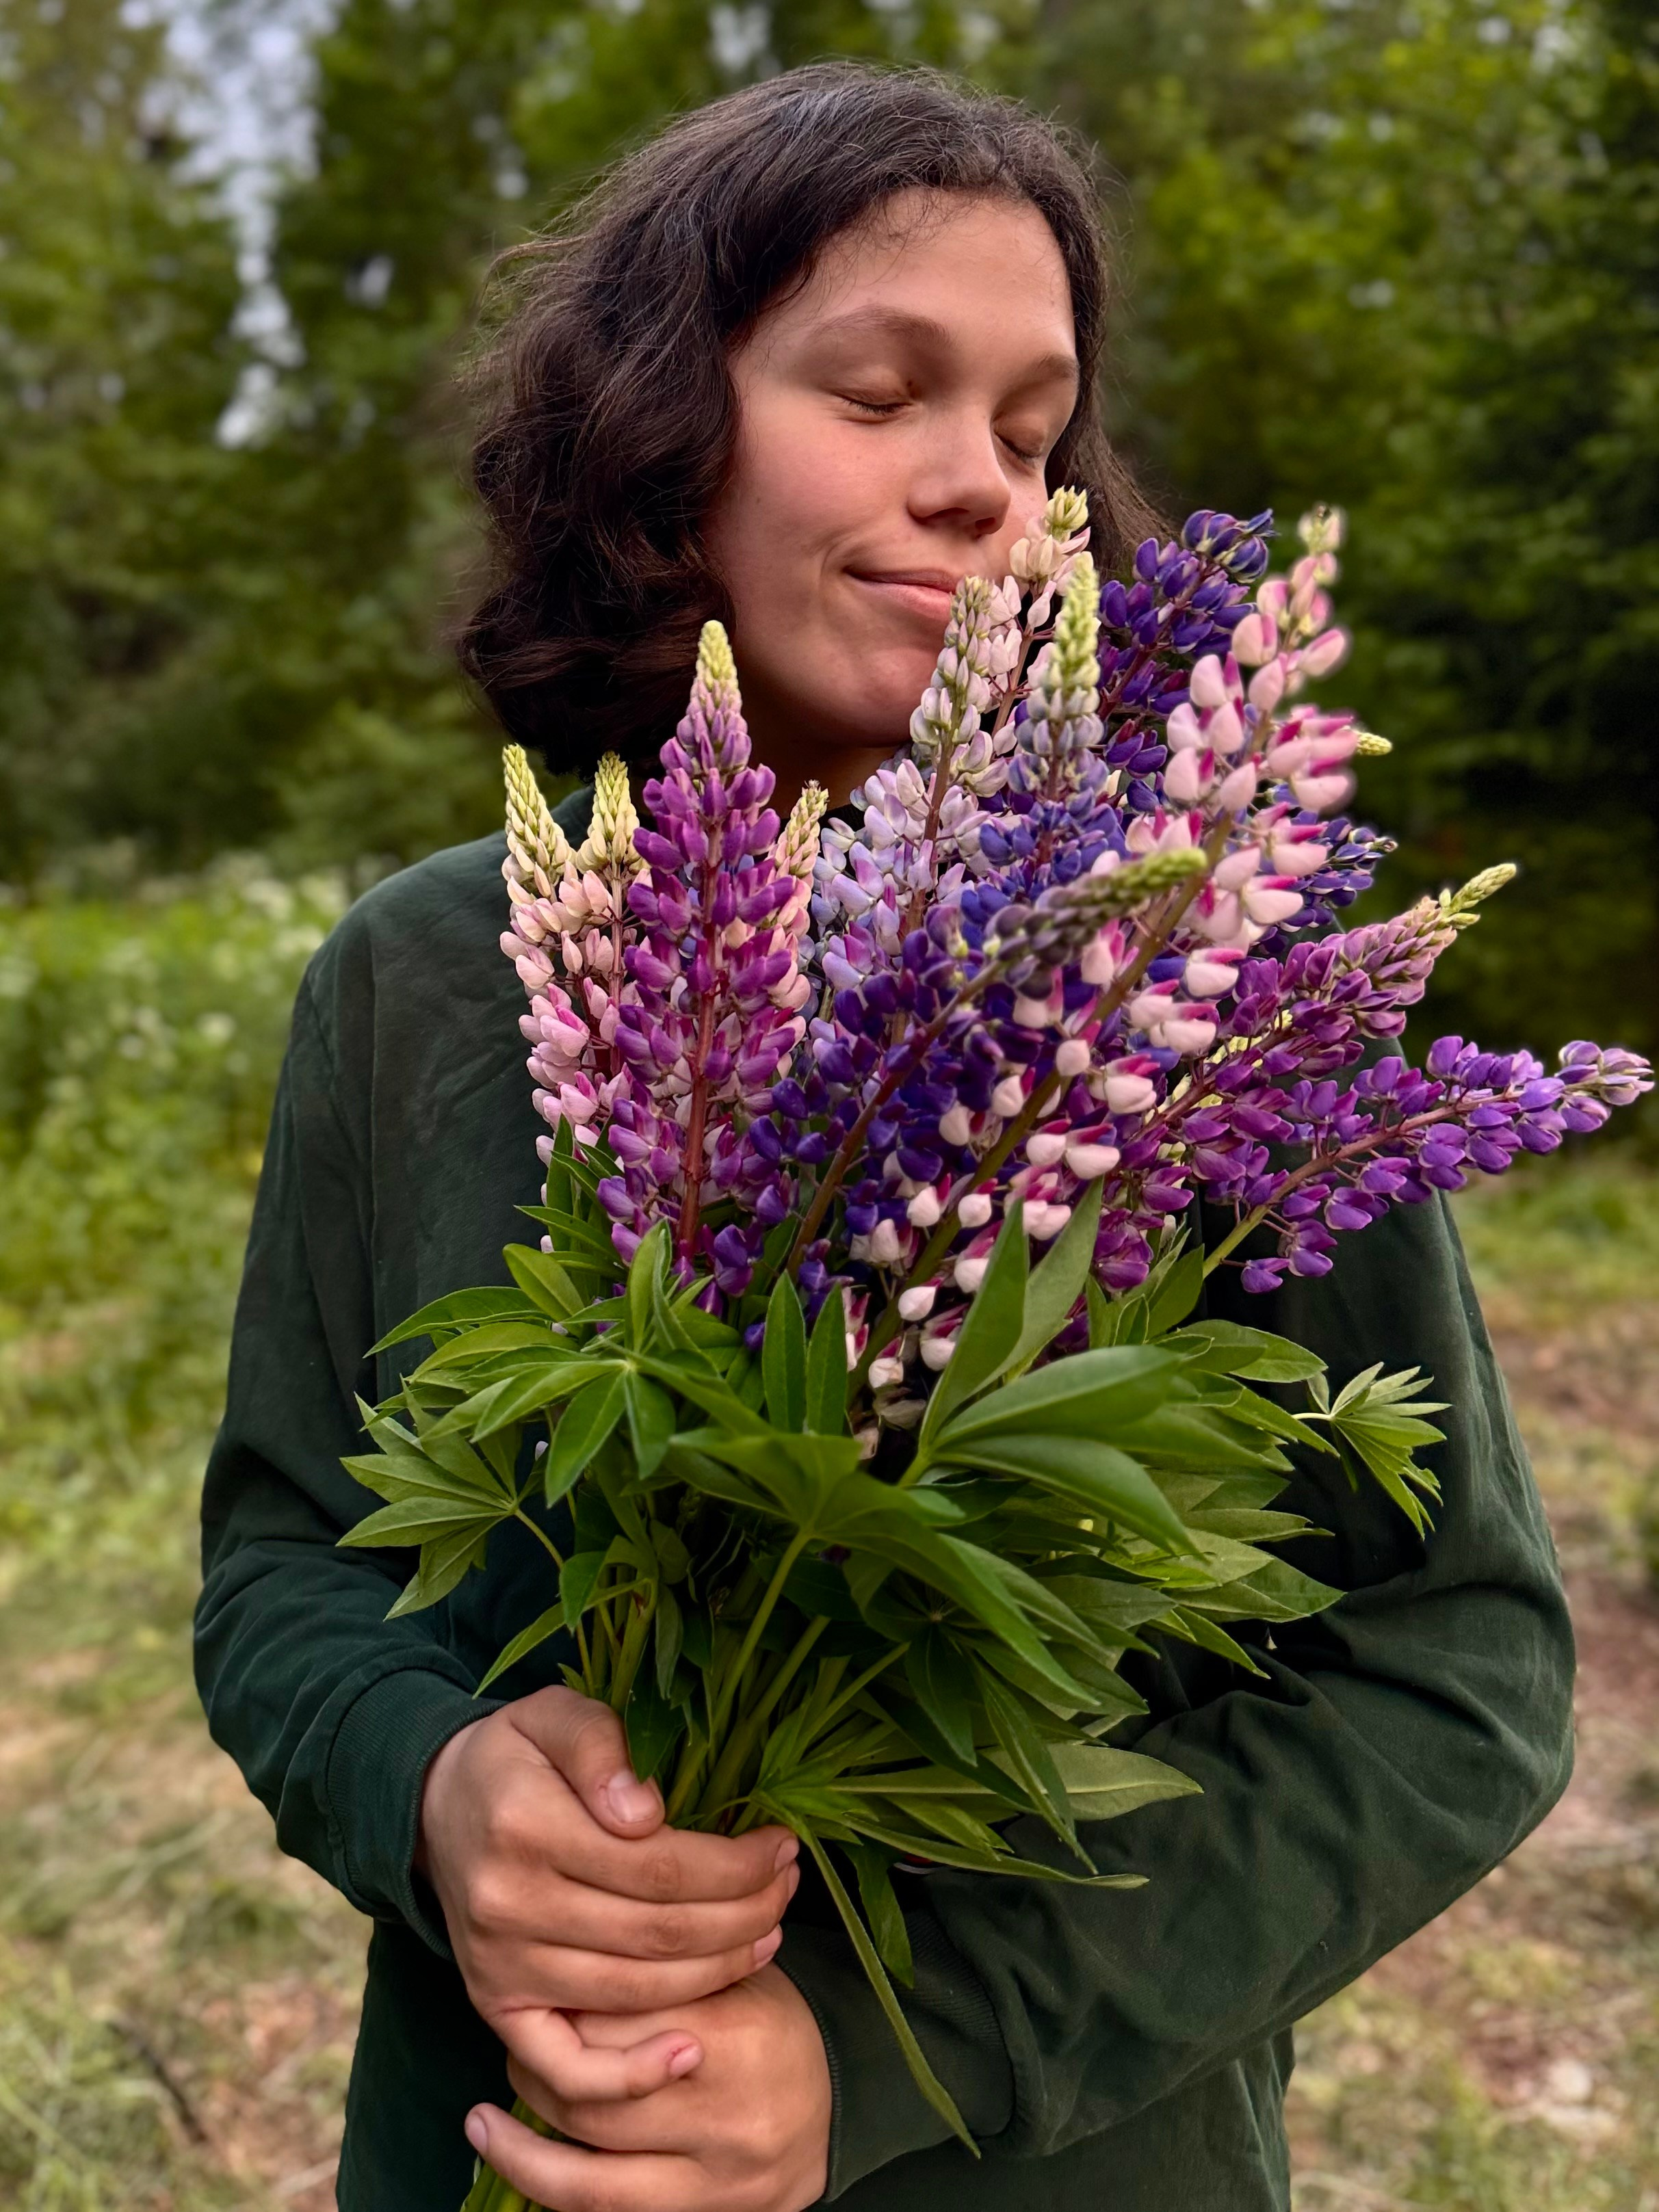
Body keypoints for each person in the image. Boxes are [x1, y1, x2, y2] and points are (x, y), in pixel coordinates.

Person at [196, 61, 1573, 2212]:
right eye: (878, 390)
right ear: (665, 431)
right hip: (498, 2130)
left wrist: (871, 2052)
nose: (982, 490)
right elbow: (282, 1567)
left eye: (1033, 433)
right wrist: (433, 1781)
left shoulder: (1185, 1002)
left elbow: (1458, 1670)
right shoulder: (428, 970)